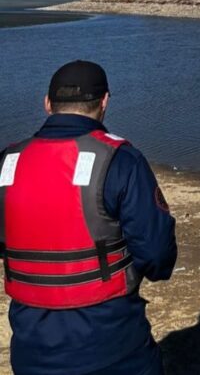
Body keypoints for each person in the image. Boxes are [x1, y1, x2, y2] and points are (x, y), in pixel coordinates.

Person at [0, 60, 177, 375]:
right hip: (114, 347)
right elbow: (157, 255)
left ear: (47, 103)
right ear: (105, 102)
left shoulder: (7, 163)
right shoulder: (122, 161)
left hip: (31, 350)